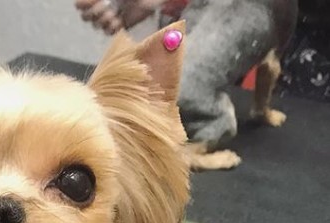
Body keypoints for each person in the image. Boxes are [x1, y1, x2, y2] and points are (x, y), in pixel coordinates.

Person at [76, 0, 298, 170]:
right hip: (190, 92)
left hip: (159, 80)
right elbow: (270, 65)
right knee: (222, 120)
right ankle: (189, 156)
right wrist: (262, 111)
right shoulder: (281, 11)